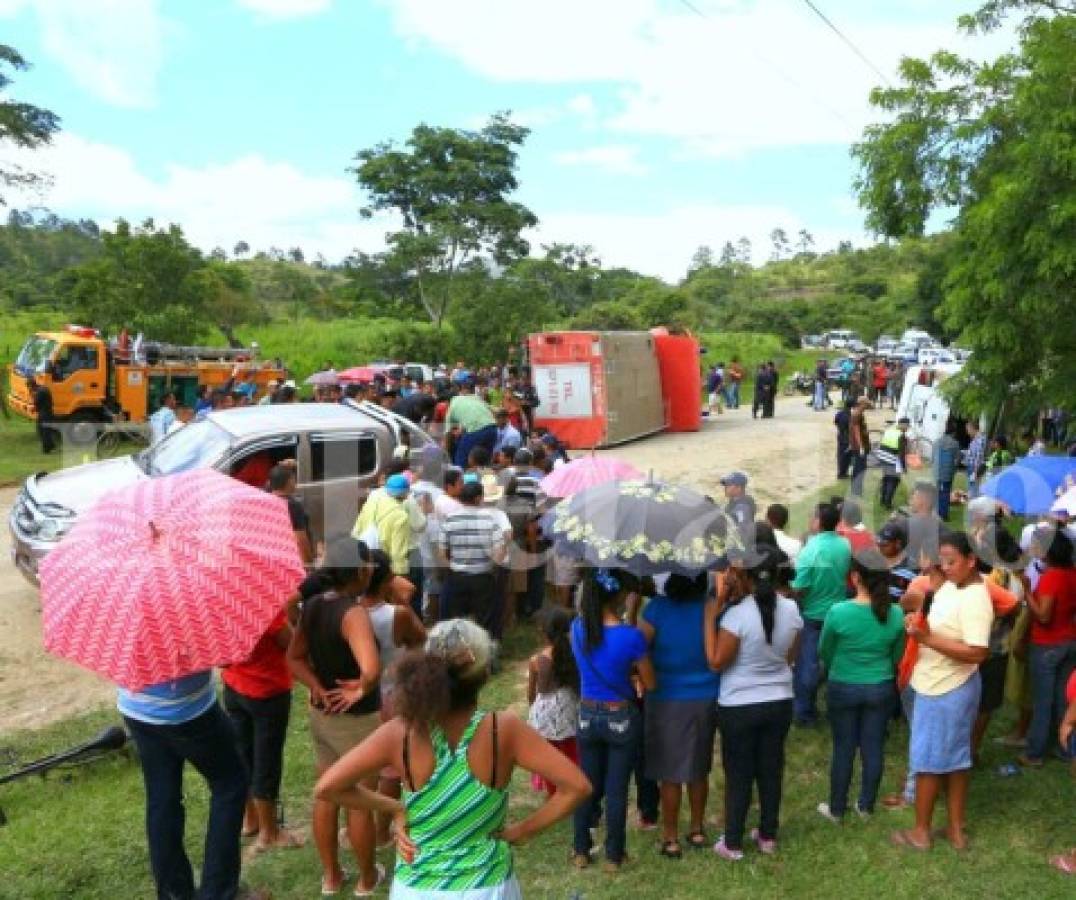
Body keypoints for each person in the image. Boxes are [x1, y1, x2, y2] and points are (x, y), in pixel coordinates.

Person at [314, 618, 591, 899]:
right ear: (484, 675)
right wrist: (523, 830)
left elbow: (327, 787)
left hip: (417, 887)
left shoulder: (401, 732)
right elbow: (577, 787)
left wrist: (396, 807)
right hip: (487, 886)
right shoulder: (502, 729)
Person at [286, 540, 384, 896]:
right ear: (357, 571)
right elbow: (370, 668)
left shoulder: (312, 605)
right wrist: (360, 688)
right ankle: (366, 879)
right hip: (355, 720)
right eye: (368, 565)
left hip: (322, 715)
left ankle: (330, 876)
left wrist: (314, 685)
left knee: (326, 794)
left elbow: (294, 658)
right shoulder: (353, 613)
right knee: (358, 800)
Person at [892, 531, 992, 852]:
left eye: (951, 561)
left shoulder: (976, 597)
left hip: (946, 688)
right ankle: (954, 829)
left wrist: (926, 639)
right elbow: (940, 622)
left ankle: (921, 832)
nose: (944, 567)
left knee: (929, 761)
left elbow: (977, 651)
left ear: (971, 560)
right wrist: (920, 624)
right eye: (942, 560)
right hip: (941, 682)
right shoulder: (953, 586)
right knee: (956, 758)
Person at [118, 670, 253, 900]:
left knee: (162, 798)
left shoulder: (130, 633)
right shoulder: (185, 632)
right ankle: (217, 892)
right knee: (230, 784)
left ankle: (174, 892)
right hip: (188, 711)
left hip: (137, 707)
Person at [705, 546, 802, 860]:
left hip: (739, 705)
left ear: (745, 576)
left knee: (739, 772)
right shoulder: (791, 610)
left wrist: (710, 619)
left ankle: (732, 842)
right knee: (771, 769)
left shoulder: (736, 615)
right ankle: (767, 834)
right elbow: (790, 657)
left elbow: (717, 662)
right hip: (779, 701)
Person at [570, 568, 655, 872]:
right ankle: (613, 856)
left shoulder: (577, 628)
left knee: (586, 784)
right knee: (617, 789)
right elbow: (650, 682)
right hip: (620, 715)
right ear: (619, 596)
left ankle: (580, 849)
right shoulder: (631, 637)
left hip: (587, 714)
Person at [816, 548, 906, 822]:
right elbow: (897, 655)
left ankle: (837, 808)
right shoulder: (896, 614)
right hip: (880, 686)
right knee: (873, 746)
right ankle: (865, 806)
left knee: (843, 747)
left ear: (855, 577)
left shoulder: (838, 612)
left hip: (843, 684)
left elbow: (825, 651)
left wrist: (839, 669)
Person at [637, 572, 720, 858]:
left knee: (669, 773)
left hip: (664, 696)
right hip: (705, 695)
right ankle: (697, 829)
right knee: (699, 768)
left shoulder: (656, 609)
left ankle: (670, 836)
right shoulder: (710, 608)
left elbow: (637, 646)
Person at [222, 604, 303, 854]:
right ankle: (269, 832)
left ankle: (250, 819)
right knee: (266, 760)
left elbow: (220, 659)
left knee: (241, 754)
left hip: (234, 688)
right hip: (267, 692)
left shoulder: (217, 606)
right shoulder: (262, 607)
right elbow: (291, 643)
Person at [359, 550, 427, 847]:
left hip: (360, 694)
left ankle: (365, 825)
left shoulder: (350, 610)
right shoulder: (394, 614)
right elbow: (420, 637)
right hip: (392, 692)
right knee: (390, 767)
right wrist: (401, 600)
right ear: (387, 579)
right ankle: (380, 829)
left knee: (367, 761)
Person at [789, 502, 852, 726]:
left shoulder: (810, 550)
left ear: (818, 521)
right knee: (836, 663)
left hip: (813, 615)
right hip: (838, 613)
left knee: (807, 665)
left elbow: (799, 587)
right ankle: (837, 709)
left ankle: (804, 712)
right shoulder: (845, 545)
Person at [1019, 528, 1076, 768]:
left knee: (1042, 699)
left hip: (1047, 644)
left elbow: (1043, 615)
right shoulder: (1072, 573)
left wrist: (1026, 589)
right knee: (1063, 698)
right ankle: (1065, 748)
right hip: (1069, 641)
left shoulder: (1052, 577)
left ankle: (1035, 752)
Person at [436, 480, 510, 637]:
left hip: (457, 577)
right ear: (478, 498)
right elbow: (500, 550)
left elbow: (441, 553)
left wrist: (451, 567)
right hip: (483, 578)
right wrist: (492, 566)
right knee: (487, 621)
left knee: (456, 622)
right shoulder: (489, 520)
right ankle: (488, 654)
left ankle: (457, 655)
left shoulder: (450, 520)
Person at [526, 607, 581, 795]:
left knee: (549, 755)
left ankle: (553, 792)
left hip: (546, 713)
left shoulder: (537, 660)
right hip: (570, 708)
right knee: (571, 750)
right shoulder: (573, 654)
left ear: (542, 632)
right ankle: (573, 785)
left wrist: (533, 707)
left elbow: (532, 693)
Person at [352, 474, 416, 578]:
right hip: (383, 566)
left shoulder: (372, 500)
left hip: (364, 559)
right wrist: (401, 575)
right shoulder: (401, 516)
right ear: (405, 494)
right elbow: (398, 553)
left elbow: (357, 529)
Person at [269, 463, 313, 565]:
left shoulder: (267, 500)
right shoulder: (293, 506)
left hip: (276, 558)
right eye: (293, 479)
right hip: (292, 560)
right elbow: (300, 540)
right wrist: (309, 564)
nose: (295, 482)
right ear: (289, 481)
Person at [446, 379, 497, 468]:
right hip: (492, 429)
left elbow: (447, 434)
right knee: (484, 461)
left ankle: (460, 479)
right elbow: (494, 410)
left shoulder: (453, 403)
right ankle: (487, 479)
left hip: (477, 431)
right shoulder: (476, 398)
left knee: (460, 458)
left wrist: (446, 454)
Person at [876, 417, 910, 511]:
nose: (908, 428)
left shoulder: (889, 430)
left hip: (882, 457)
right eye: (907, 426)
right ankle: (888, 503)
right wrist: (904, 467)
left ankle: (882, 500)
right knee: (893, 480)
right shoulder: (901, 436)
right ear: (903, 425)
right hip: (891, 459)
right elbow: (902, 454)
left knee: (886, 479)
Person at [932, 420, 962, 521]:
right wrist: (955, 469)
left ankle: (936, 511)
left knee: (938, 491)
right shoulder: (955, 444)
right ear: (953, 432)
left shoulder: (936, 441)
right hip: (948, 473)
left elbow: (932, 458)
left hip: (937, 471)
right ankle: (943, 515)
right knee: (945, 492)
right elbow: (957, 459)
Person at [721, 472, 756, 537]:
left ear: (738, 488)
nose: (725, 488)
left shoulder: (742, 507)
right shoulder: (735, 501)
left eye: (728, 485)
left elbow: (741, 530)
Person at [849, 398, 871, 496]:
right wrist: (861, 446)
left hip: (858, 445)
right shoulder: (857, 414)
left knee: (859, 468)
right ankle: (856, 490)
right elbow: (856, 431)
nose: (867, 407)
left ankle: (856, 489)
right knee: (860, 468)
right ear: (861, 404)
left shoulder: (858, 413)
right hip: (859, 447)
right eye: (866, 404)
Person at [29, 376, 57, 453]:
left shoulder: (38, 392)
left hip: (44, 414)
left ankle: (47, 450)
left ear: (31, 385)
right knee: (45, 430)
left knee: (43, 432)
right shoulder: (43, 388)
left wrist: (32, 395)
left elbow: (36, 404)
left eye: (29, 386)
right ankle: (51, 446)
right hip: (48, 412)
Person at [965, 421, 987, 499]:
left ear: (972, 428)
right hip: (971, 467)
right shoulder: (975, 439)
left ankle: (973, 505)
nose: (968, 432)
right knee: (971, 488)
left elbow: (979, 457)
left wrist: (976, 471)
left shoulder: (980, 440)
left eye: (968, 430)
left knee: (973, 489)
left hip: (974, 468)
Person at [834, 400, 853, 479]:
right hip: (846, 437)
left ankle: (841, 472)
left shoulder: (839, 413)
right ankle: (842, 473)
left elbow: (835, 421)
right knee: (846, 456)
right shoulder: (849, 415)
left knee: (840, 455)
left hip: (840, 436)